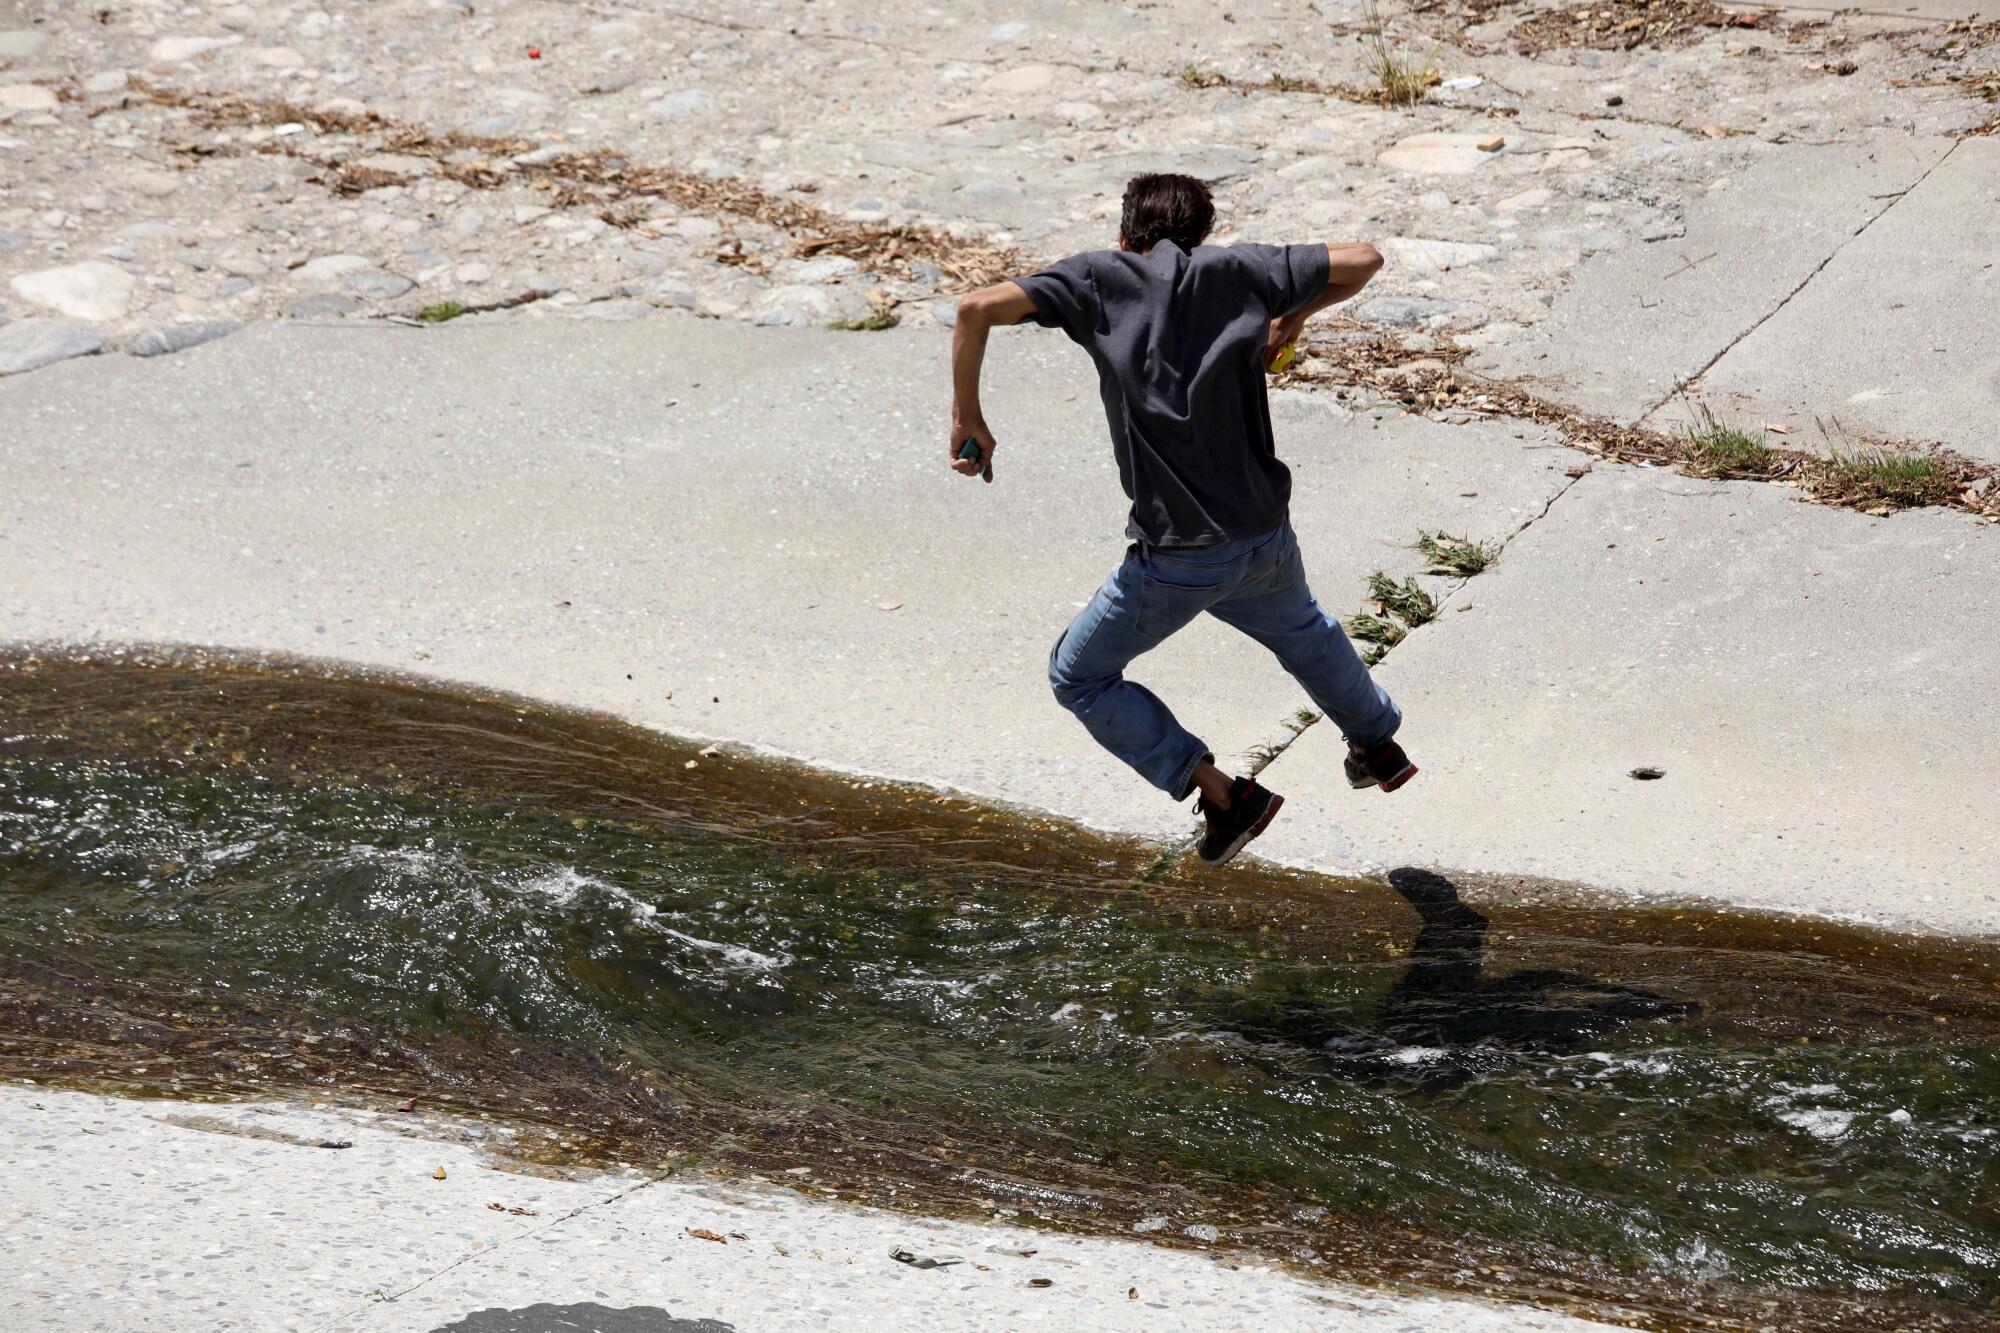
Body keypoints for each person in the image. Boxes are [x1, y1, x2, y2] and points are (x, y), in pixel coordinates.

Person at [947, 172, 1416, 866]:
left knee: (1078, 676)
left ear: (1123, 234)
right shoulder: (1238, 271)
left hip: (1177, 557)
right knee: (1304, 633)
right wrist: (1295, 315)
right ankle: (1376, 742)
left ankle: (1225, 796)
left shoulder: (1096, 281)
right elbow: (1365, 259)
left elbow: (974, 306)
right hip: (1263, 534)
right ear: (1201, 233)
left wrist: (969, 416)